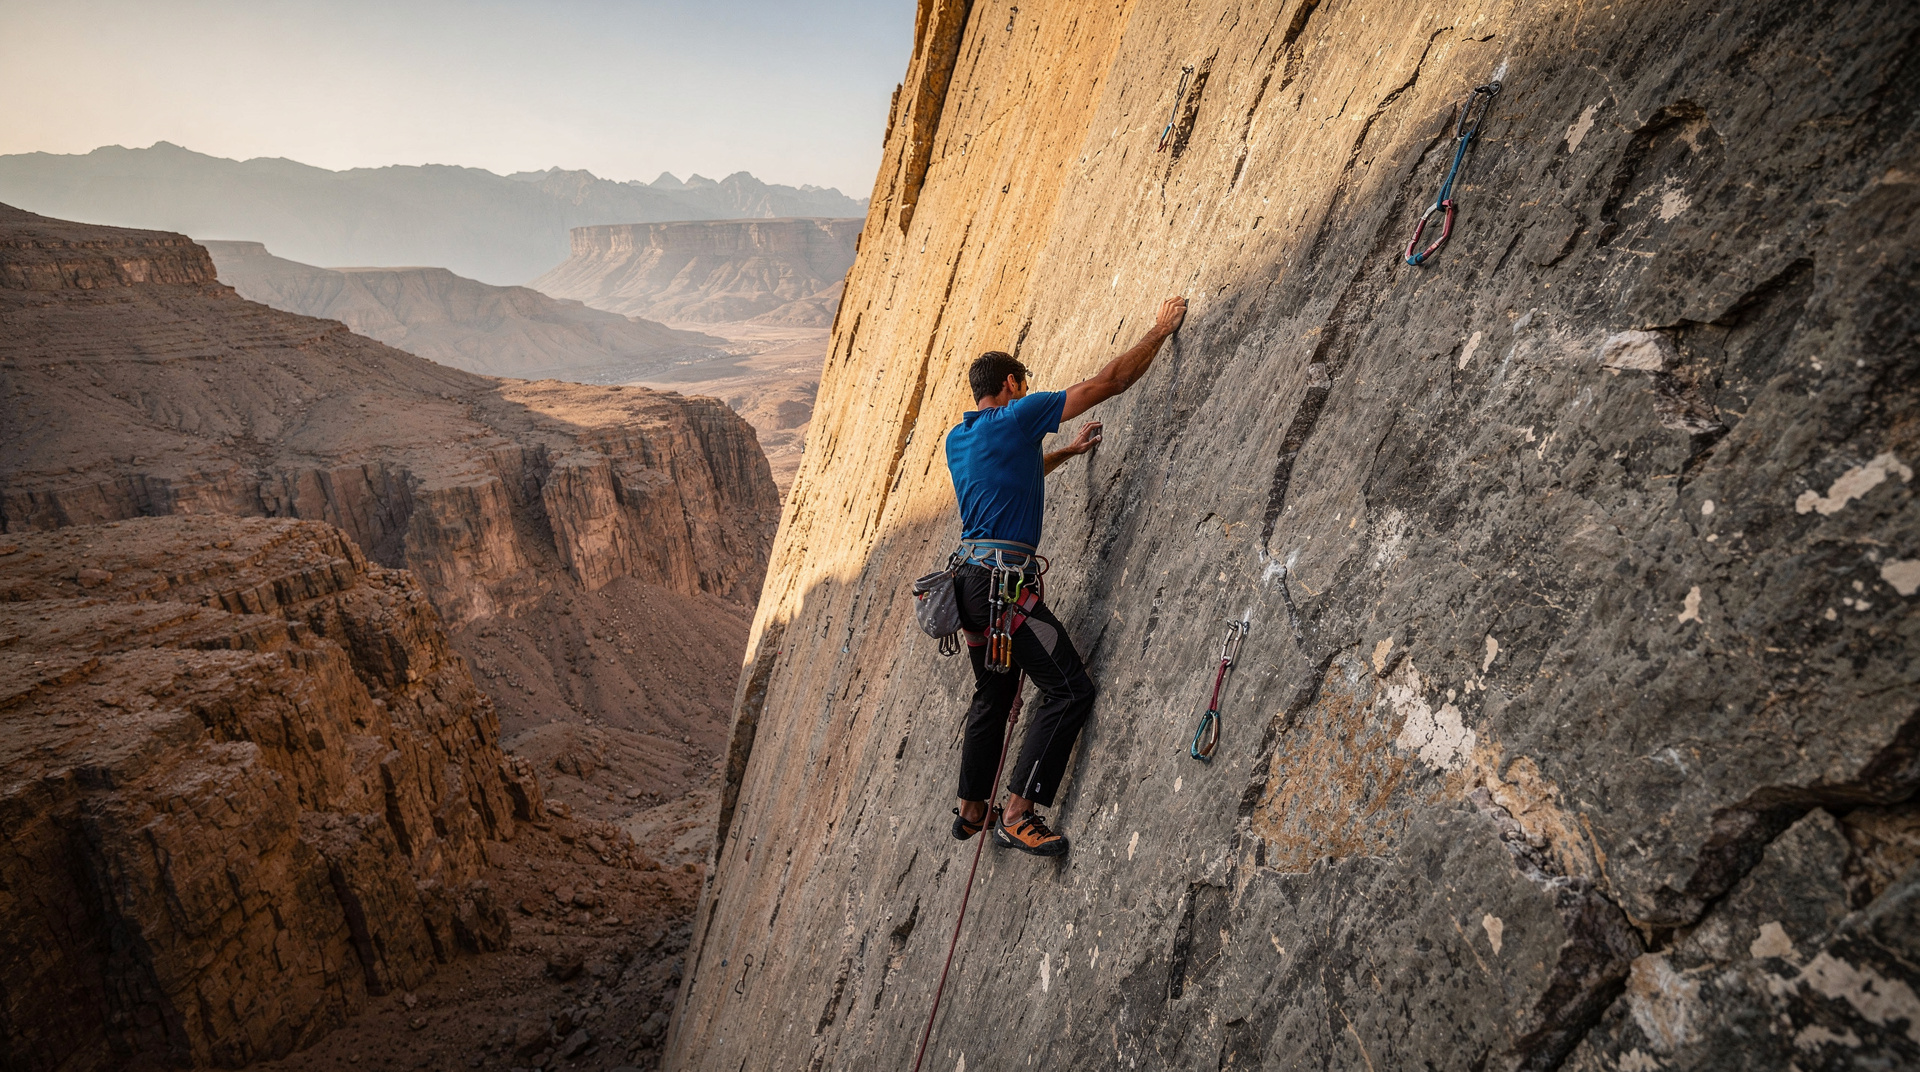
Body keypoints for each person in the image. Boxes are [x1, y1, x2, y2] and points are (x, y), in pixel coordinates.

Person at [944, 296, 1188, 855]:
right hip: (1005, 589)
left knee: (996, 689)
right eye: (1022, 386)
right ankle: (1018, 811)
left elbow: (1014, 472)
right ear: (1011, 383)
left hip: (970, 587)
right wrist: (1158, 331)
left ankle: (970, 808)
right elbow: (1108, 382)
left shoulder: (962, 440)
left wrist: (1069, 453)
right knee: (1069, 688)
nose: (1027, 394)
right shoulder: (1018, 416)